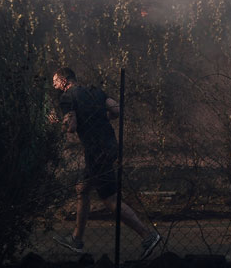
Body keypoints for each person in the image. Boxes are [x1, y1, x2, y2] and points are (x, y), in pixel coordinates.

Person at [51, 67, 161, 259]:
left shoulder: (67, 97)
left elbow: (71, 127)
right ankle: (76, 239)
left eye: (55, 81)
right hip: (109, 146)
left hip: (96, 152)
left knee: (109, 198)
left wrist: (57, 122)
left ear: (64, 80)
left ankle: (148, 235)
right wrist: (101, 117)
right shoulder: (95, 92)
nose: (54, 85)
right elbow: (117, 110)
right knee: (82, 188)